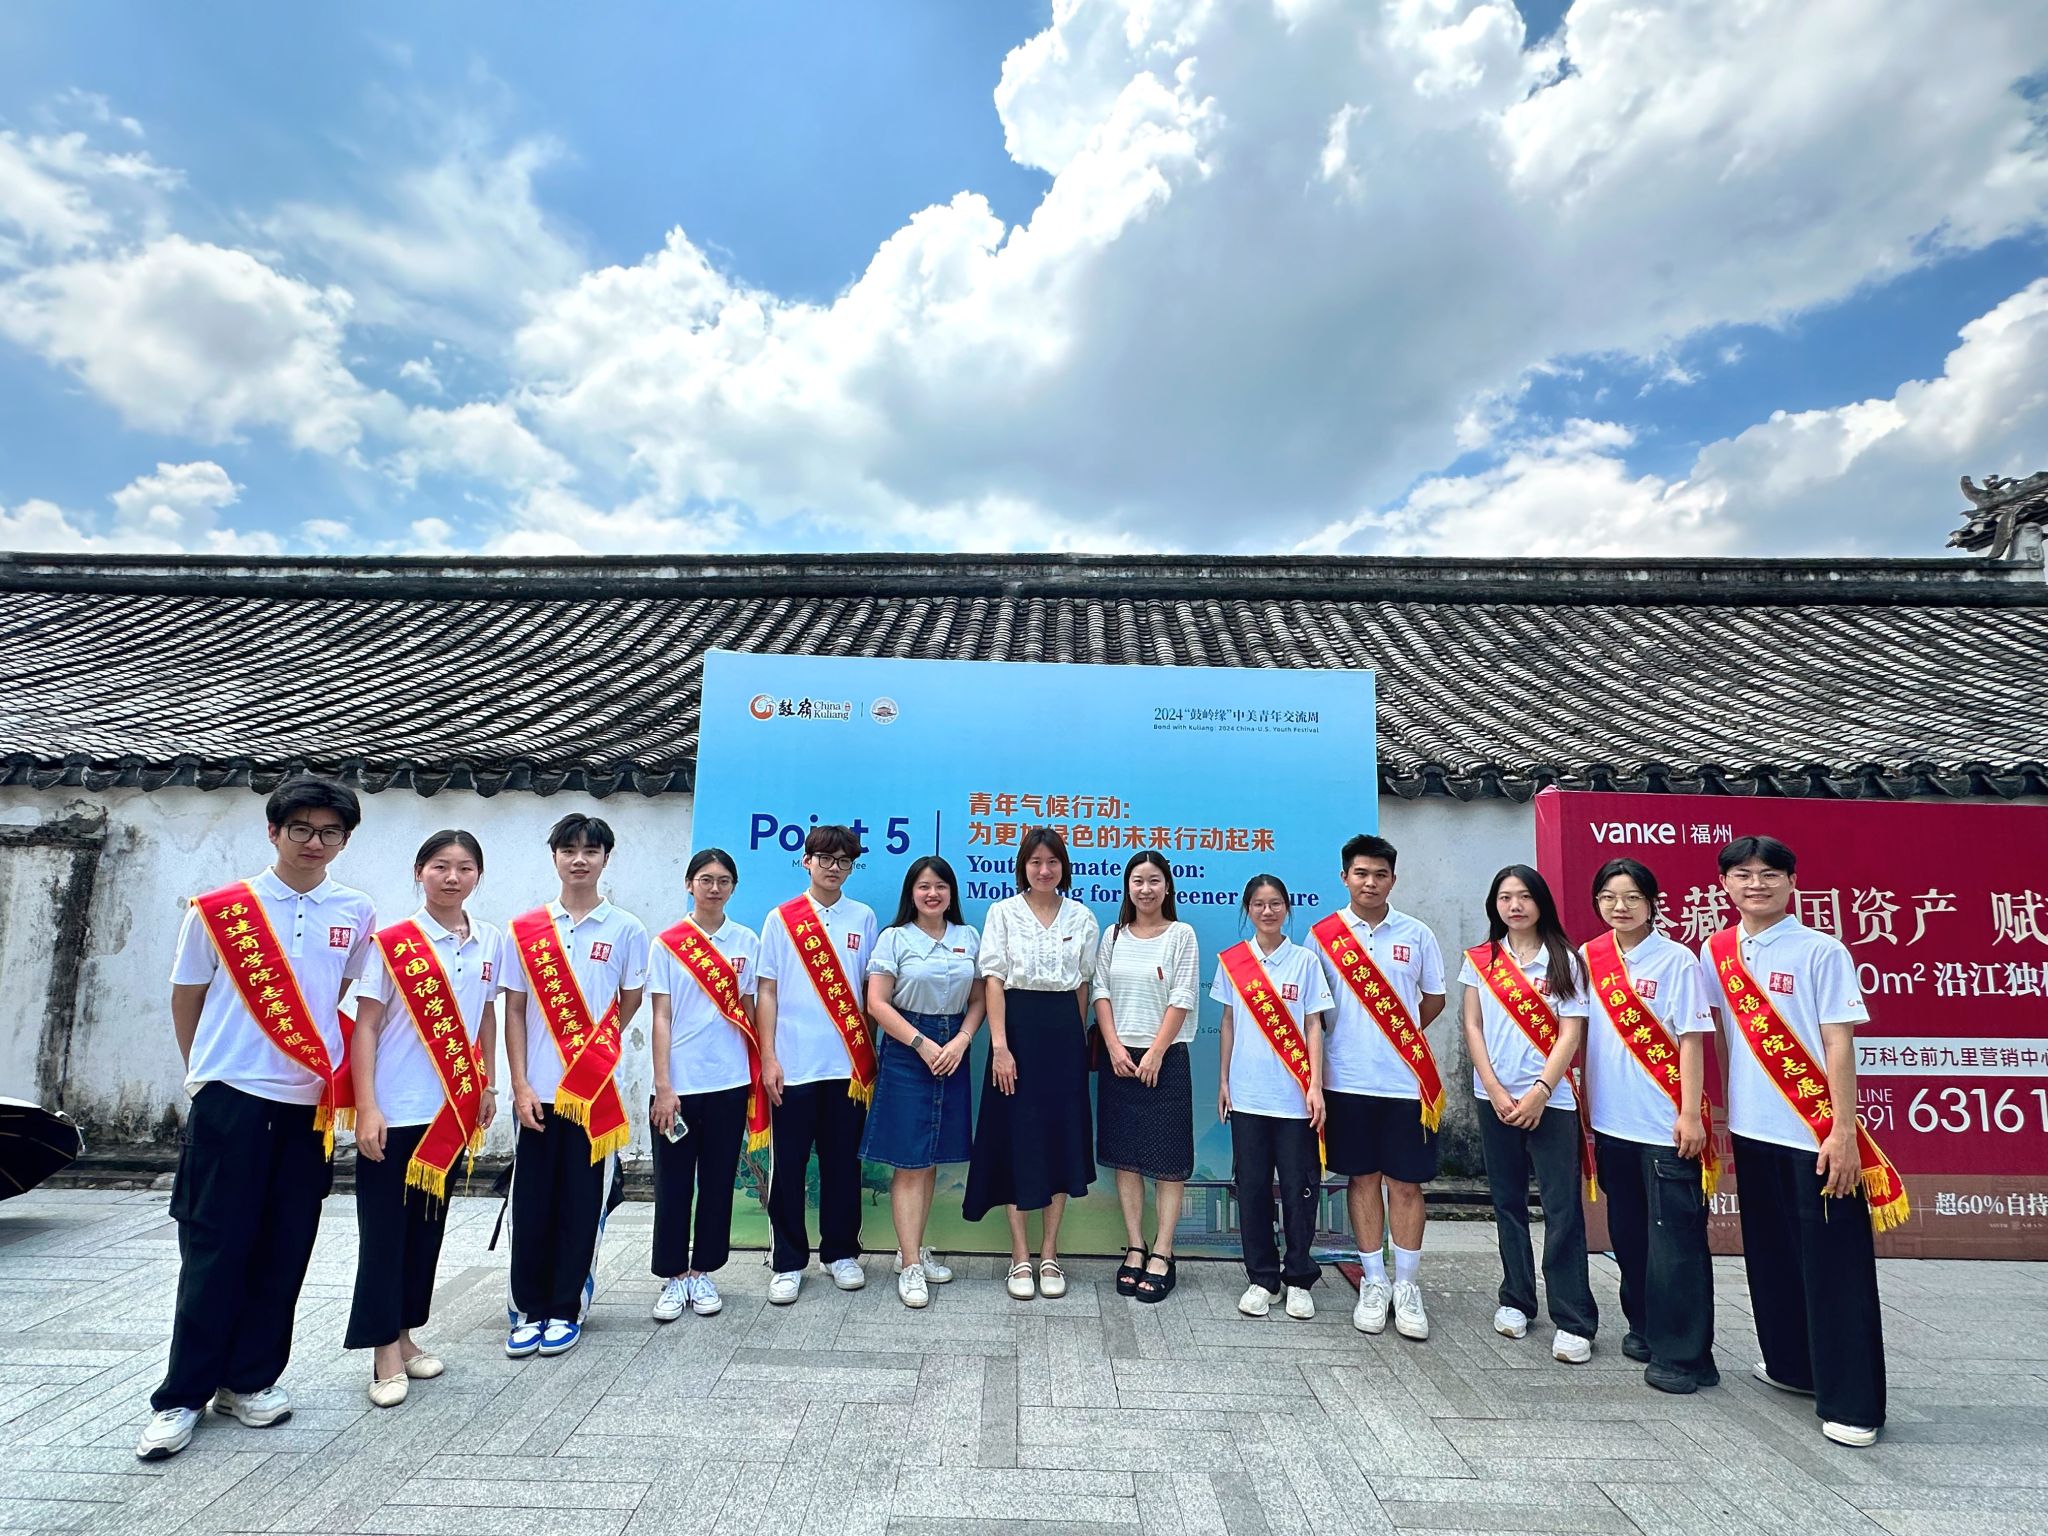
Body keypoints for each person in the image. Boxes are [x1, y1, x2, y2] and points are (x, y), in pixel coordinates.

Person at [136, 776, 376, 1462]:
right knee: (214, 1244)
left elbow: (344, 995)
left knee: (284, 1244)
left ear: (344, 842)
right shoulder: (220, 911)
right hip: (232, 1096)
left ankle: (249, 1379)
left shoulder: (356, 911)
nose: (313, 842)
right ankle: (183, 1394)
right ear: (273, 831)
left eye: (329, 832)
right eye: (300, 828)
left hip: (308, 1106)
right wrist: (206, 1074)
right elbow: (187, 997)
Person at [1703, 834, 1900, 1448]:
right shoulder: (1716, 950)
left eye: (1769, 874)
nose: (1755, 884)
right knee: (1772, 1255)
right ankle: (1792, 1366)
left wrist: (1843, 1130)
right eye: (1742, 874)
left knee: (1835, 1266)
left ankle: (1854, 1404)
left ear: (1792, 882)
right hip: (1752, 1129)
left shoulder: (1822, 951)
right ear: (1725, 885)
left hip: (1813, 1133)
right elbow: (1723, 1035)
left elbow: (1839, 1043)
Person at [346, 830, 502, 1407]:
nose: (452, 877)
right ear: (419, 872)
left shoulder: (489, 940)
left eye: (464, 867)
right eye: (440, 866)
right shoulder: (391, 944)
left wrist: (487, 1082)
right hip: (394, 1110)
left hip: (451, 1112)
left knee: (426, 1231)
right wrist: (367, 1106)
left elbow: (485, 1016)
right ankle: (383, 1349)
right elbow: (365, 1026)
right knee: (384, 1233)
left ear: (478, 875)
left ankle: (407, 1334)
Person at [502, 814, 649, 1359]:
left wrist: (594, 1054)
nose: (579, 859)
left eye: (591, 850)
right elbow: (514, 1010)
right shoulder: (526, 929)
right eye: (569, 850)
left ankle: (566, 1308)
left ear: (606, 858)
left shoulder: (626, 929)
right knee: (531, 1206)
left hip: (594, 1096)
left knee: (582, 1206)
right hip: (536, 1096)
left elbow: (629, 1001)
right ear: (555, 857)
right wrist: (519, 1083)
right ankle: (527, 1310)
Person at [1581, 858, 1719, 1394]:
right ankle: (1643, 1326)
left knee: (1675, 1243)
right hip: (1611, 1123)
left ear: (1652, 903)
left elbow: (1691, 1039)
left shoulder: (1677, 960)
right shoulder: (1590, 957)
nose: (1620, 907)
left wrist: (1689, 1113)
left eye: (1632, 898)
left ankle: (1685, 1355)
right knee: (1630, 1236)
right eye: (1609, 897)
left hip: (1665, 1125)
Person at [1308, 834, 1446, 1341]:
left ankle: (1407, 1286)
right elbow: (1313, 1010)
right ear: (1344, 877)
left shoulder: (1418, 933)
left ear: (1393, 879)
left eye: (1380, 874)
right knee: (1362, 1180)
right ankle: (1374, 1280)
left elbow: (1433, 999)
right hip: (1346, 1079)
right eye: (1361, 873)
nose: (1370, 883)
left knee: (1406, 1184)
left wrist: (1397, 1038)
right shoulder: (1323, 936)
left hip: (1407, 1083)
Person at [1461, 863, 1598, 1364]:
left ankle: (1573, 1317)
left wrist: (1541, 1090)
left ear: (1541, 902)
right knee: (1507, 1201)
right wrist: (1495, 1089)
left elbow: (1570, 1032)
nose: (1514, 906)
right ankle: (1516, 1298)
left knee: (1562, 1208)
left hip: (1552, 1102)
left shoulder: (1566, 960)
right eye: (1505, 897)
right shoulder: (1481, 960)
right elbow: (1472, 1026)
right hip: (1493, 1099)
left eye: (1524, 896)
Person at [963, 826, 1100, 1300]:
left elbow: (1083, 986)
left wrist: (1077, 1043)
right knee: (1017, 1139)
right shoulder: (1002, 913)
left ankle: (1049, 1253)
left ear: (1064, 867)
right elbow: (994, 981)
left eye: (1052, 862)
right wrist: (1000, 1047)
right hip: (1015, 1032)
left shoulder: (1082, 917)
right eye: (1036, 862)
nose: (1044, 870)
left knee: (1060, 1140)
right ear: (1023, 866)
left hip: (1063, 1037)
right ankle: (1019, 1254)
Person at [756, 824, 881, 1305]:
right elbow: (767, 990)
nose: (834, 868)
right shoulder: (781, 919)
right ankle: (787, 1260)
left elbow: (870, 992)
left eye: (844, 861)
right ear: (806, 861)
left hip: (847, 1067)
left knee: (843, 1164)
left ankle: (841, 1252)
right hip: (793, 1065)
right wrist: (769, 1057)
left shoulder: (863, 917)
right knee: (788, 1166)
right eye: (825, 858)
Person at [862, 855, 985, 1308]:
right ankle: (911, 1264)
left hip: (953, 1049)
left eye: (941, 886)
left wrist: (962, 1041)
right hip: (907, 1049)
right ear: (911, 893)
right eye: (924, 887)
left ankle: (909, 1250)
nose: (932, 894)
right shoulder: (894, 938)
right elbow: (877, 1003)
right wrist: (921, 1044)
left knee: (930, 1157)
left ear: (951, 893)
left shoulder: (967, 937)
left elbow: (979, 999)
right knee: (909, 1160)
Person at [647, 848, 762, 1323]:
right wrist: (663, 1084)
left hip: (730, 1082)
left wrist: (761, 1070)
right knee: (673, 1183)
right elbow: (661, 1016)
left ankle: (704, 1271)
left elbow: (751, 1011)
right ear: (689, 884)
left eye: (724, 881)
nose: (714, 888)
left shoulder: (746, 940)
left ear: (733, 887)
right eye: (706, 879)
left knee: (717, 1182)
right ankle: (674, 1275)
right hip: (678, 1084)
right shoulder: (667, 944)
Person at [1215, 875, 1333, 1321]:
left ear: (1287, 908)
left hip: (1295, 1098)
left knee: (1301, 1189)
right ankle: (1262, 1278)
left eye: (1276, 903)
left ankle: (1299, 1277)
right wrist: (1224, 1081)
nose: (1268, 911)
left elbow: (1313, 1026)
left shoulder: (1305, 961)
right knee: (1252, 1189)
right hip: (1248, 1096)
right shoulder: (1234, 962)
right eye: (1259, 904)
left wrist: (1315, 1085)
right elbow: (1229, 1023)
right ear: (1247, 910)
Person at [1091, 850, 1200, 1304]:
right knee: (1127, 1159)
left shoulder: (1181, 935)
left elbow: (1183, 995)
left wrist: (1155, 1052)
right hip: (1119, 1058)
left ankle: (1163, 1252)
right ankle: (1135, 1246)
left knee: (1169, 1164)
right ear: (1128, 887)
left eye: (1154, 880)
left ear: (1167, 886)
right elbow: (1100, 990)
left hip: (1166, 1059)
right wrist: (1114, 1047)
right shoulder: (1113, 935)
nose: (1146, 889)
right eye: (1138, 881)